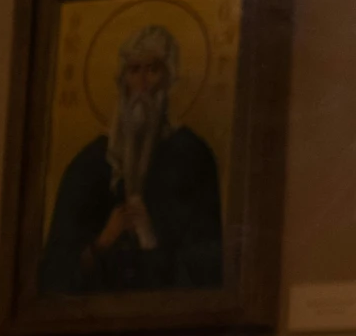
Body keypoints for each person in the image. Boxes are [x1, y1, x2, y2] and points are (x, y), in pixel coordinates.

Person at [38, 23, 224, 295]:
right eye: (134, 70)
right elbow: (52, 274)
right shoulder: (90, 163)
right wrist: (102, 242)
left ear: (169, 79)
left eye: (153, 69)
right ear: (122, 80)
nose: (142, 83)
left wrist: (150, 239)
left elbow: (210, 267)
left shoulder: (191, 155)